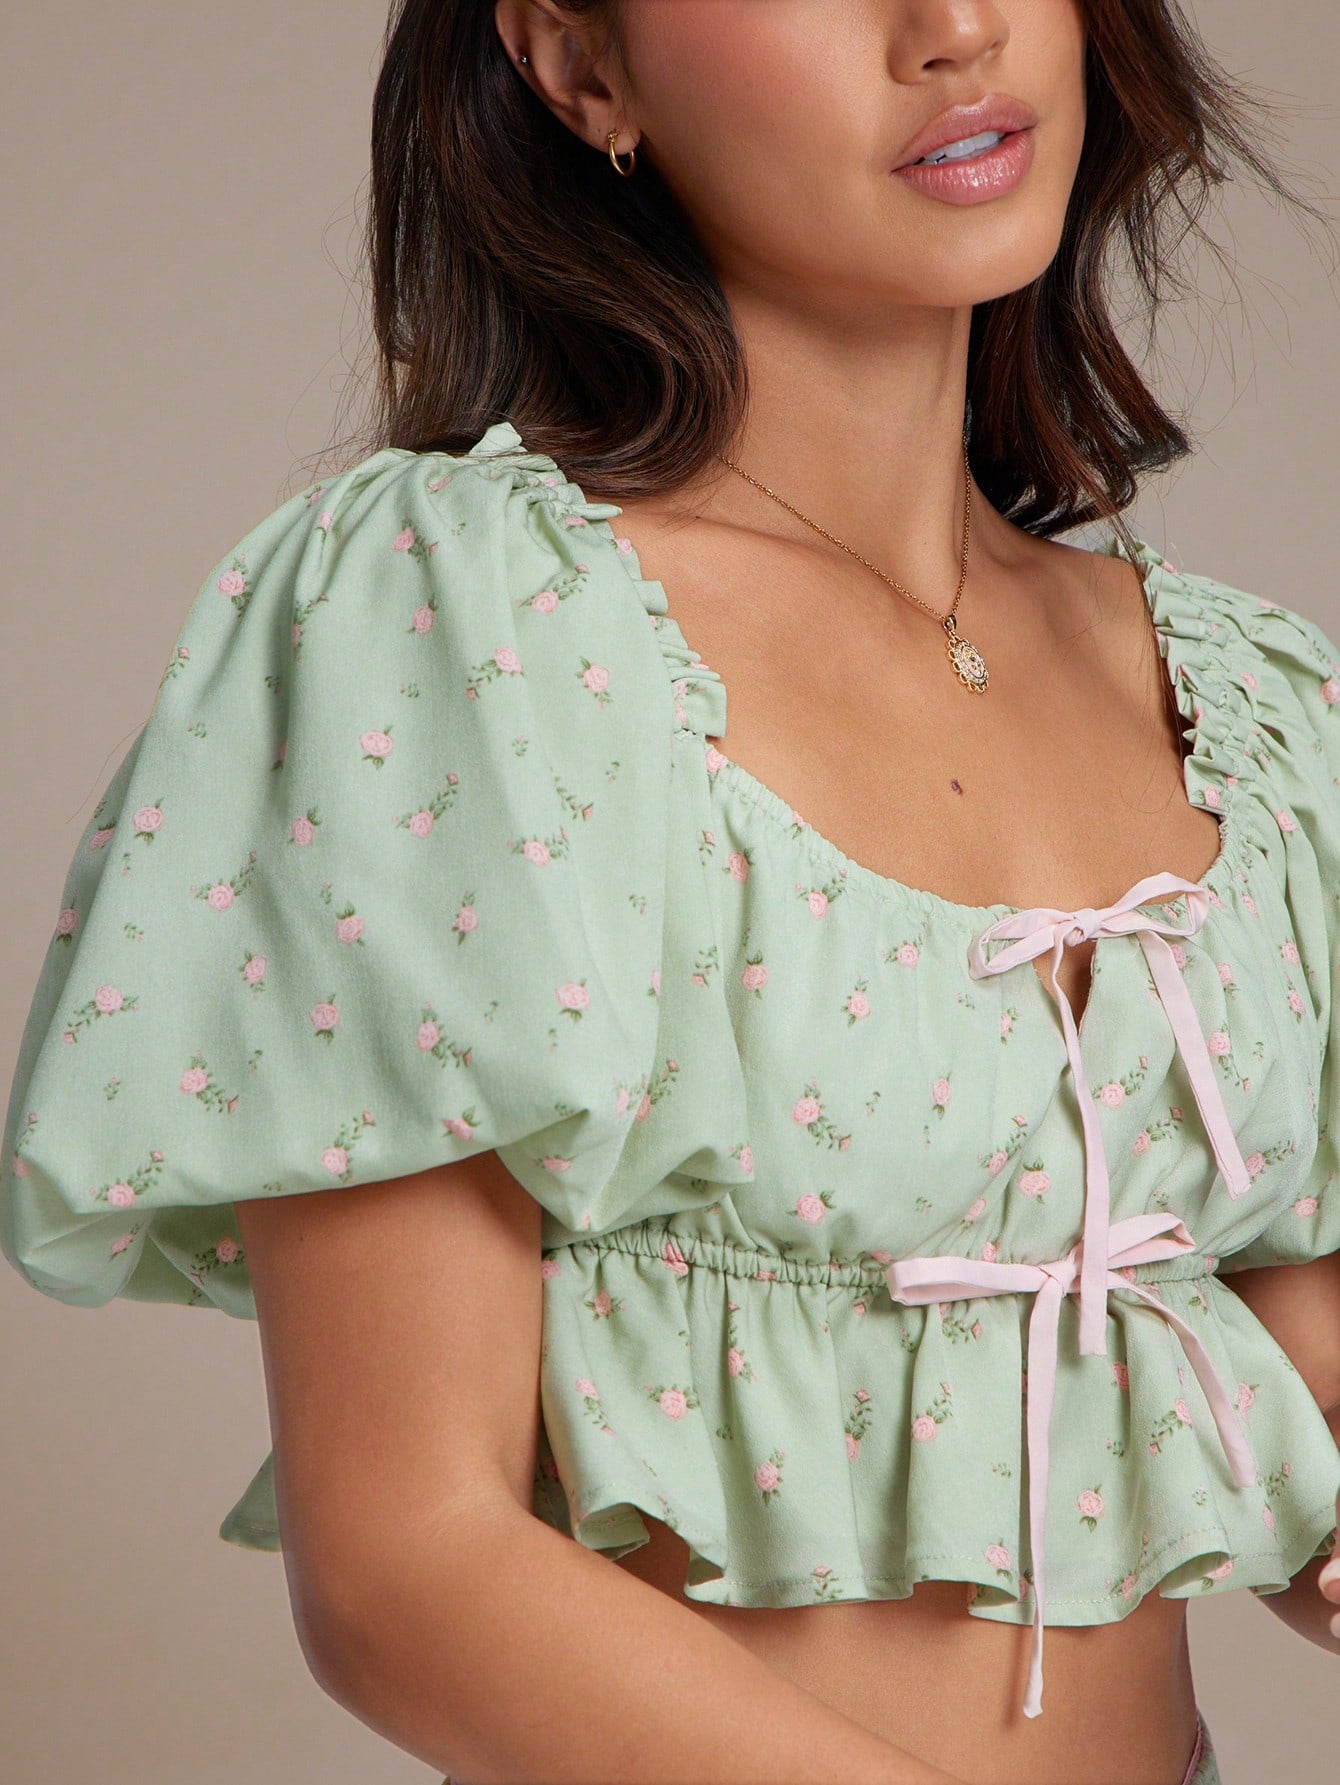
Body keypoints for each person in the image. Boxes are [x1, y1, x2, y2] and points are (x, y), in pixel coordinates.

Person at [5, 1, 1340, 1779]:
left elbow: (1283, 1359)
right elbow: (406, 1561)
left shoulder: (1248, 703)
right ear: (581, 65)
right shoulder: (469, 634)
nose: (955, 28)